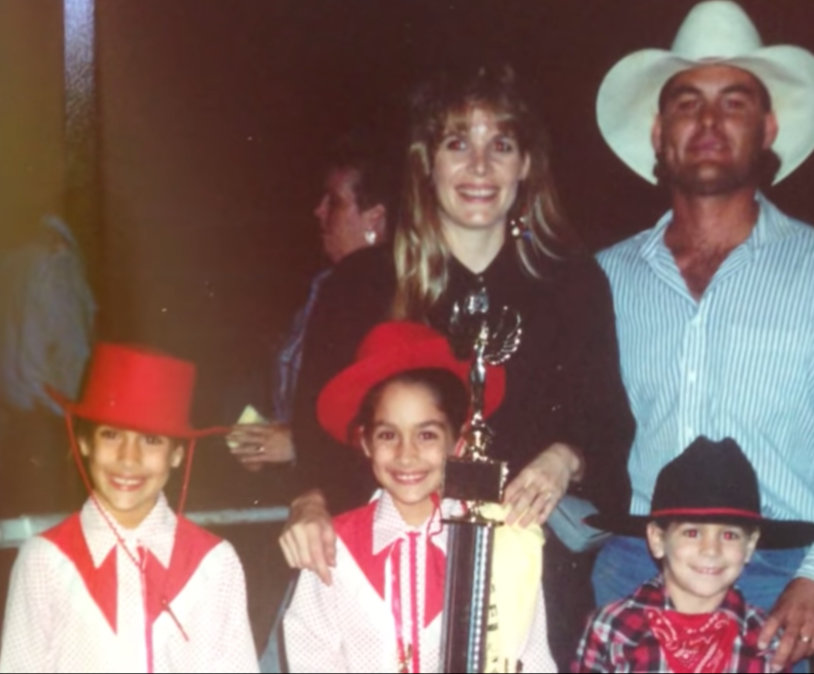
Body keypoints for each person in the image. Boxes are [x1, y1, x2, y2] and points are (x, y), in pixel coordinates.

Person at [280, 62, 636, 663]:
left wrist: (564, 457)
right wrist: (309, 502)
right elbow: (316, 432)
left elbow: (609, 425)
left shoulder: (572, 283)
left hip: (528, 580)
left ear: (526, 164)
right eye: (456, 143)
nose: (479, 167)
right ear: (426, 162)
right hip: (386, 579)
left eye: (500, 145)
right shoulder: (361, 285)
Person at [591, 1, 814, 670]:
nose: (708, 121)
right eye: (687, 103)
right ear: (657, 131)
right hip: (631, 575)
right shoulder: (604, 277)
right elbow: (572, 431)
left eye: (733, 103)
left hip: (778, 580)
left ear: (766, 130)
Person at [282, 321, 555, 672]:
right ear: (365, 442)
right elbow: (310, 655)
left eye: (426, 436)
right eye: (387, 435)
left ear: (458, 443)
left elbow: (532, 657)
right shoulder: (334, 548)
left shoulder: (499, 542)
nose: (406, 455)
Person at [0, 343, 259, 672]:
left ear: (177, 454)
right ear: (84, 443)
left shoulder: (216, 564)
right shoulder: (44, 560)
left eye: (150, 440)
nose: (128, 459)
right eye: (111, 435)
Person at [573, 437, 814, 673]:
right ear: (658, 539)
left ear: (749, 546)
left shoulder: (765, 642)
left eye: (729, 535)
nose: (711, 550)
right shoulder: (611, 627)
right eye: (692, 533)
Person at [227, 131, 397, 473]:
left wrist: (298, 444)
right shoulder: (328, 285)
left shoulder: (386, 294)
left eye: (334, 202)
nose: (318, 210)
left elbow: (382, 413)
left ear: (374, 219)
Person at [0, 213, 95, 513]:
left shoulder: (5, 265)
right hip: (47, 412)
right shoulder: (55, 265)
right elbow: (68, 345)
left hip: (7, 412)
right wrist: (81, 408)